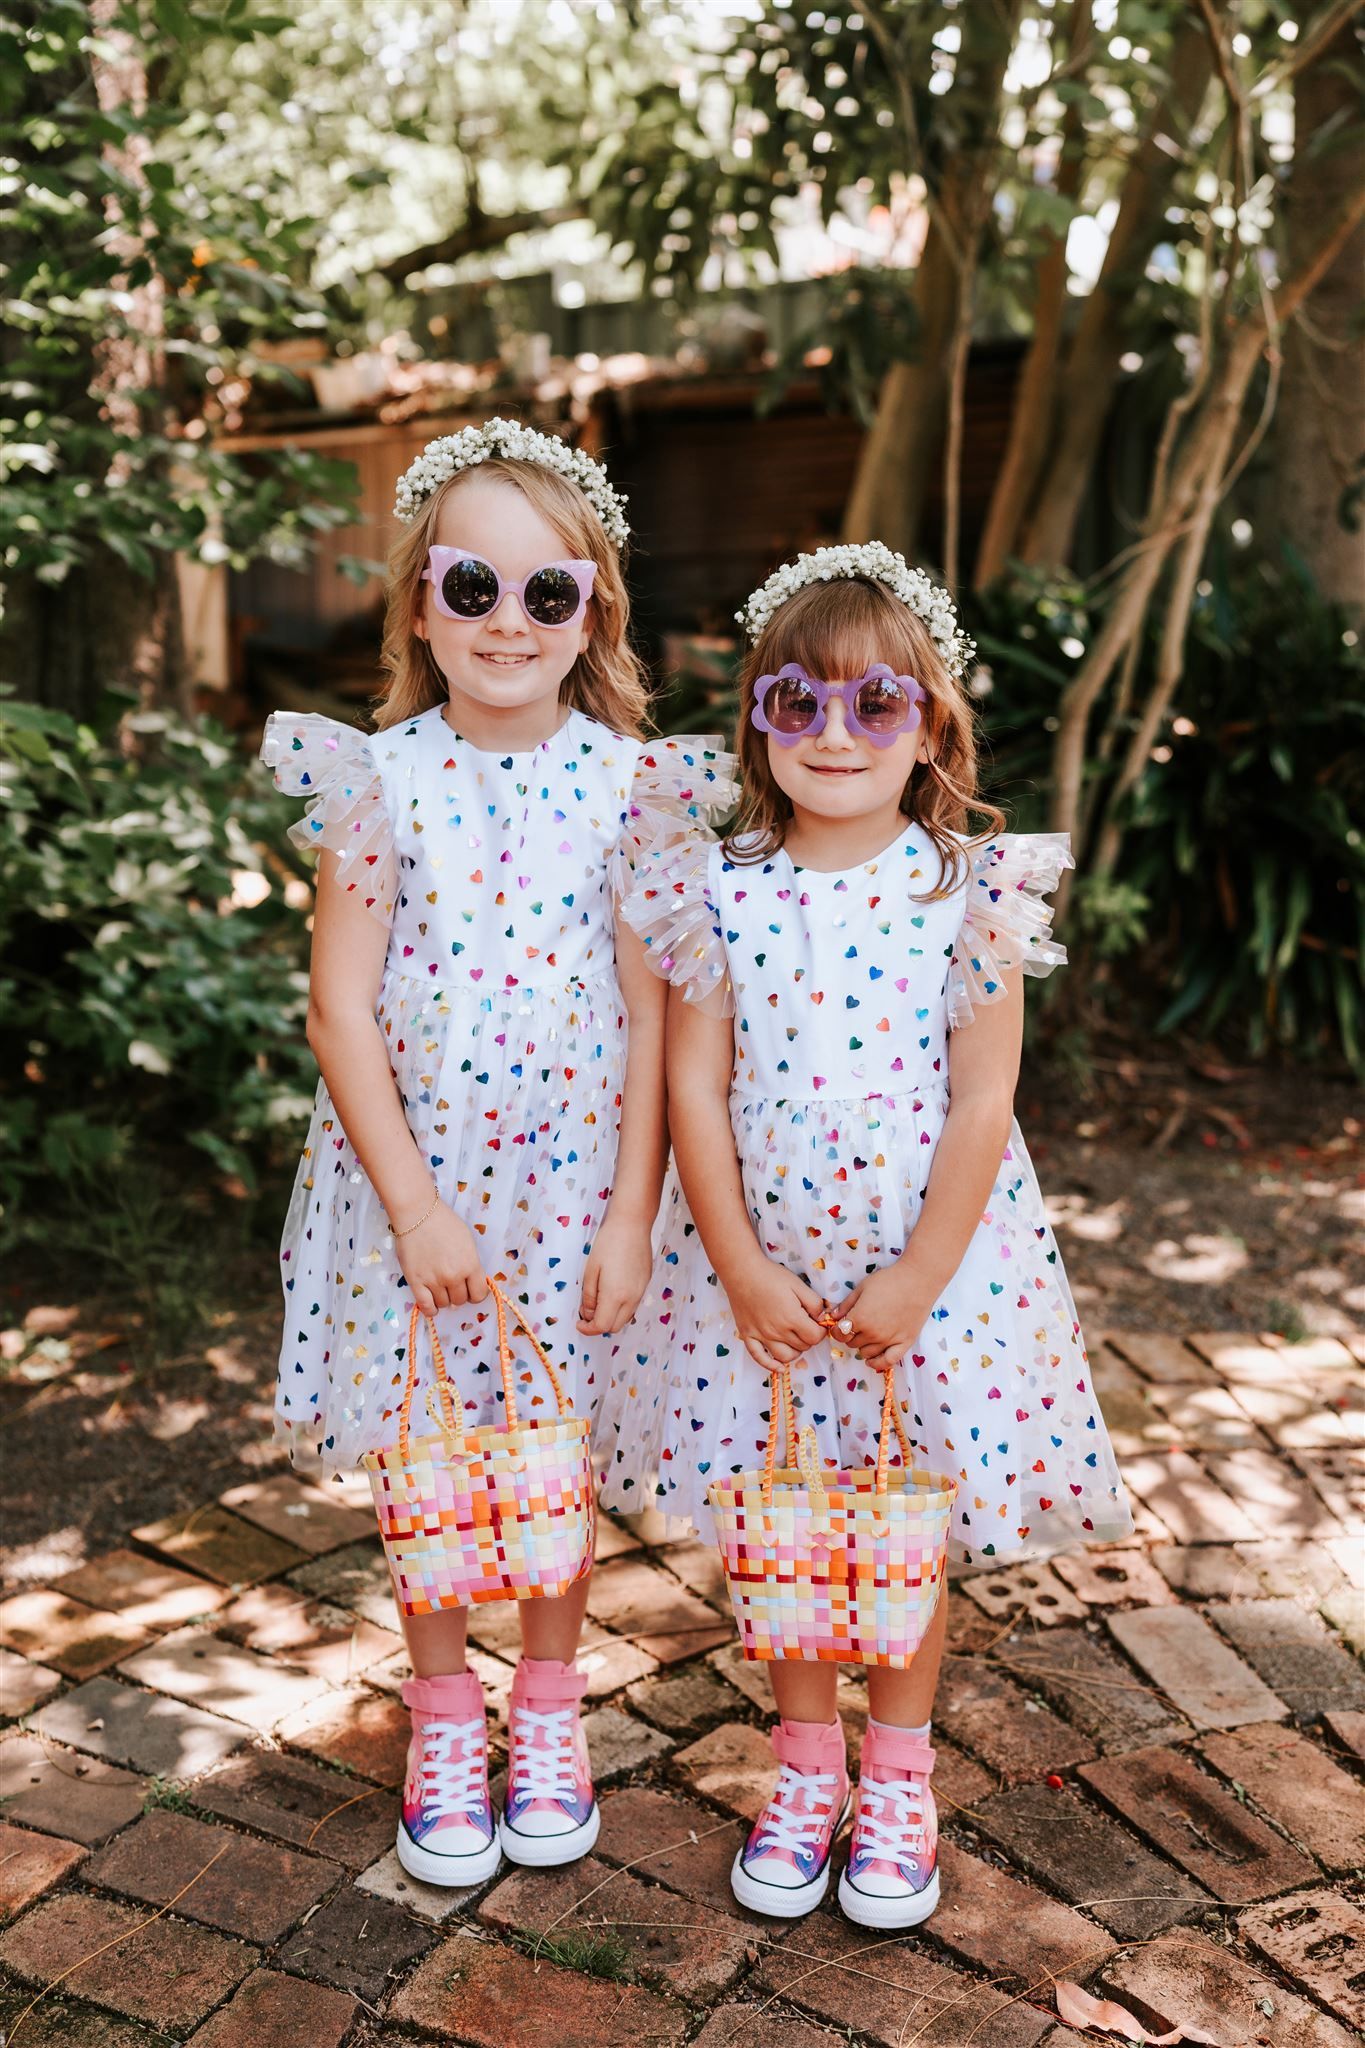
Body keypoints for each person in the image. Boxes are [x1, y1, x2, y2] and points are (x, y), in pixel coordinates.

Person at [598, 543, 1132, 1931]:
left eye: (873, 706)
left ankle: (897, 1775)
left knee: (900, 1523)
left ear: (928, 728)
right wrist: (736, 1261)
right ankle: (803, 1763)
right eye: (798, 704)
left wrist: (915, 1275)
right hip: (762, 1261)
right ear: (757, 724)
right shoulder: (710, 887)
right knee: (779, 1520)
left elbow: (981, 1099)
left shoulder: (968, 890)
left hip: (925, 1265)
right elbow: (691, 1089)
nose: (834, 736)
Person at [260, 419, 735, 1888]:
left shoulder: (635, 789)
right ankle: (445, 1712)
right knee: (428, 1457)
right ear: (419, 604)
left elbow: (658, 1028)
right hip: (415, 1187)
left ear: (592, 609)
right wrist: (410, 1212)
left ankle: (544, 1706)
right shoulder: (372, 780)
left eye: (549, 593)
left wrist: (630, 1218)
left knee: (545, 1453)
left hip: (570, 1192)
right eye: (473, 589)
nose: (509, 624)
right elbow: (340, 1007)